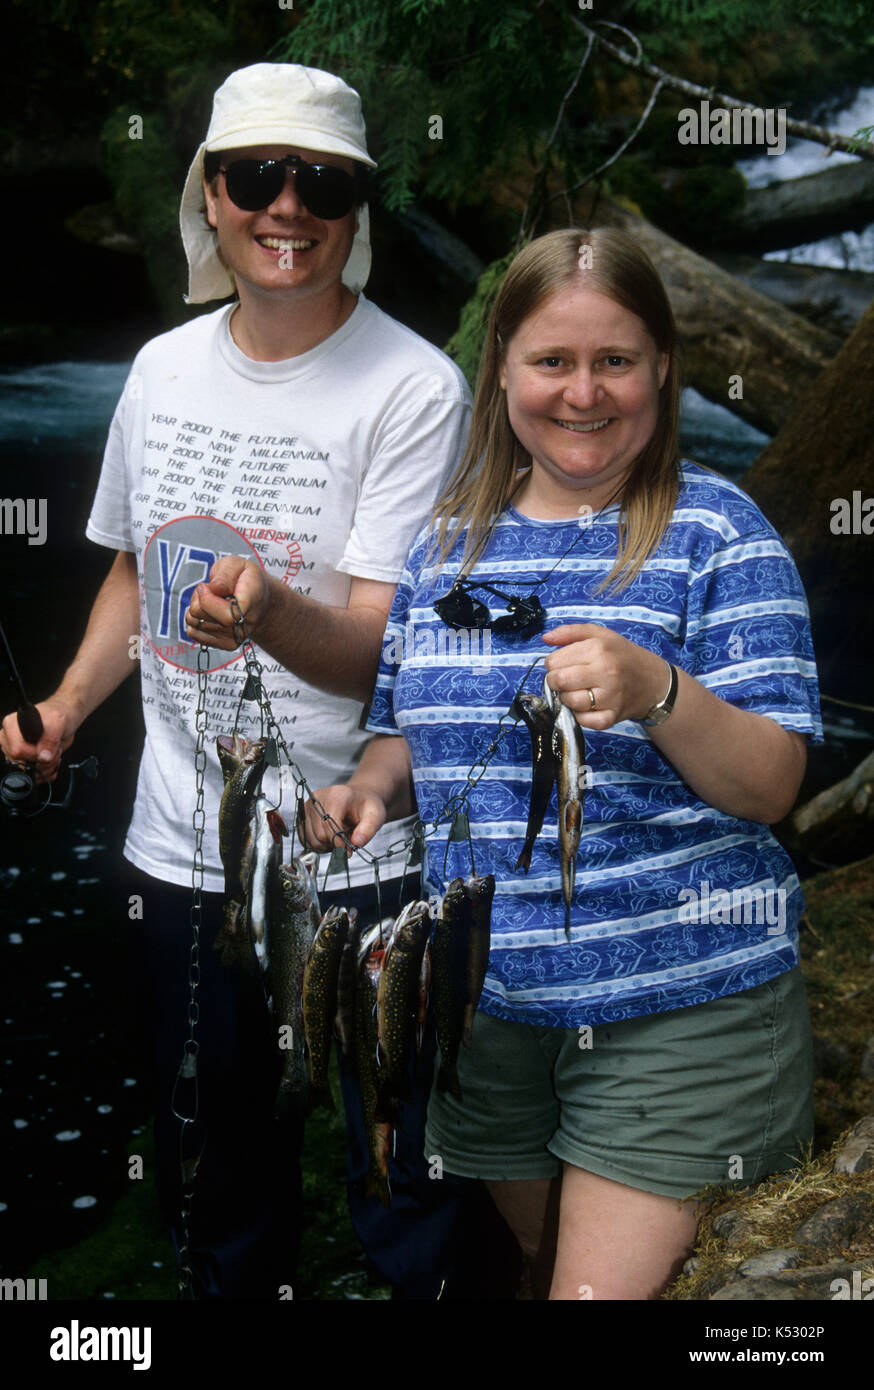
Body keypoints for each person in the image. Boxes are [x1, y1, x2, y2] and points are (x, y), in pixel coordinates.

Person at [0, 61, 494, 1300]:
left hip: (361, 859)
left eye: (320, 180)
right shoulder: (161, 370)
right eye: (256, 177)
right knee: (217, 1171)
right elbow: (133, 572)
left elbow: (382, 640)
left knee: (402, 1174)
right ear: (209, 198)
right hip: (182, 853)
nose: (288, 206)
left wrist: (269, 612)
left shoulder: (414, 389)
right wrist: (64, 707)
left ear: (356, 205)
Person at [301, 225, 822, 1300]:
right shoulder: (447, 541)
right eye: (552, 361)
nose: (583, 393)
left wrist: (660, 693)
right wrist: (370, 785)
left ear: (663, 367)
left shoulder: (718, 534)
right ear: (500, 369)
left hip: (679, 1012)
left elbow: (773, 784)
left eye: (615, 361)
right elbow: (413, 724)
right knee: (539, 1269)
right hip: (482, 1014)